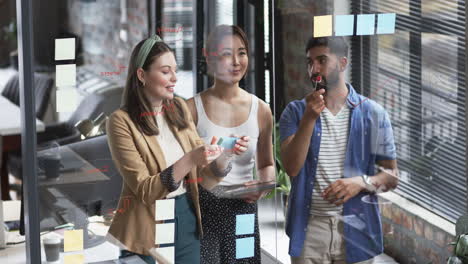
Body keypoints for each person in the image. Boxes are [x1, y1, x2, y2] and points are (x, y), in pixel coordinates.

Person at [106, 35, 248, 264]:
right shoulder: (120, 122)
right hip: (145, 224)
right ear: (142, 75)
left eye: (175, 70)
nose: (174, 78)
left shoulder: (179, 107)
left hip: (185, 214)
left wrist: (224, 155)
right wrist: (191, 158)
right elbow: (145, 190)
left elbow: (203, 178)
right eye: (165, 71)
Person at [279, 36, 399, 264]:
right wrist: (309, 118)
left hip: (357, 227)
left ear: (342, 64)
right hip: (310, 229)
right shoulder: (295, 112)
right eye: (309, 62)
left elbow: (392, 177)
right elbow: (292, 168)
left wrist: (361, 183)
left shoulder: (373, 113)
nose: (313, 69)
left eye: (322, 60)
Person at [186, 25, 275, 264]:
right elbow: (181, 171)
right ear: (208, 56)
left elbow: (267, 164)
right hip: (202, 214)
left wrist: (262, 186)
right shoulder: (191, 110)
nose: (236, 61)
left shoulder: (261, 110)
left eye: (242, 52)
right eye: (226, 53)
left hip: (244, 212)